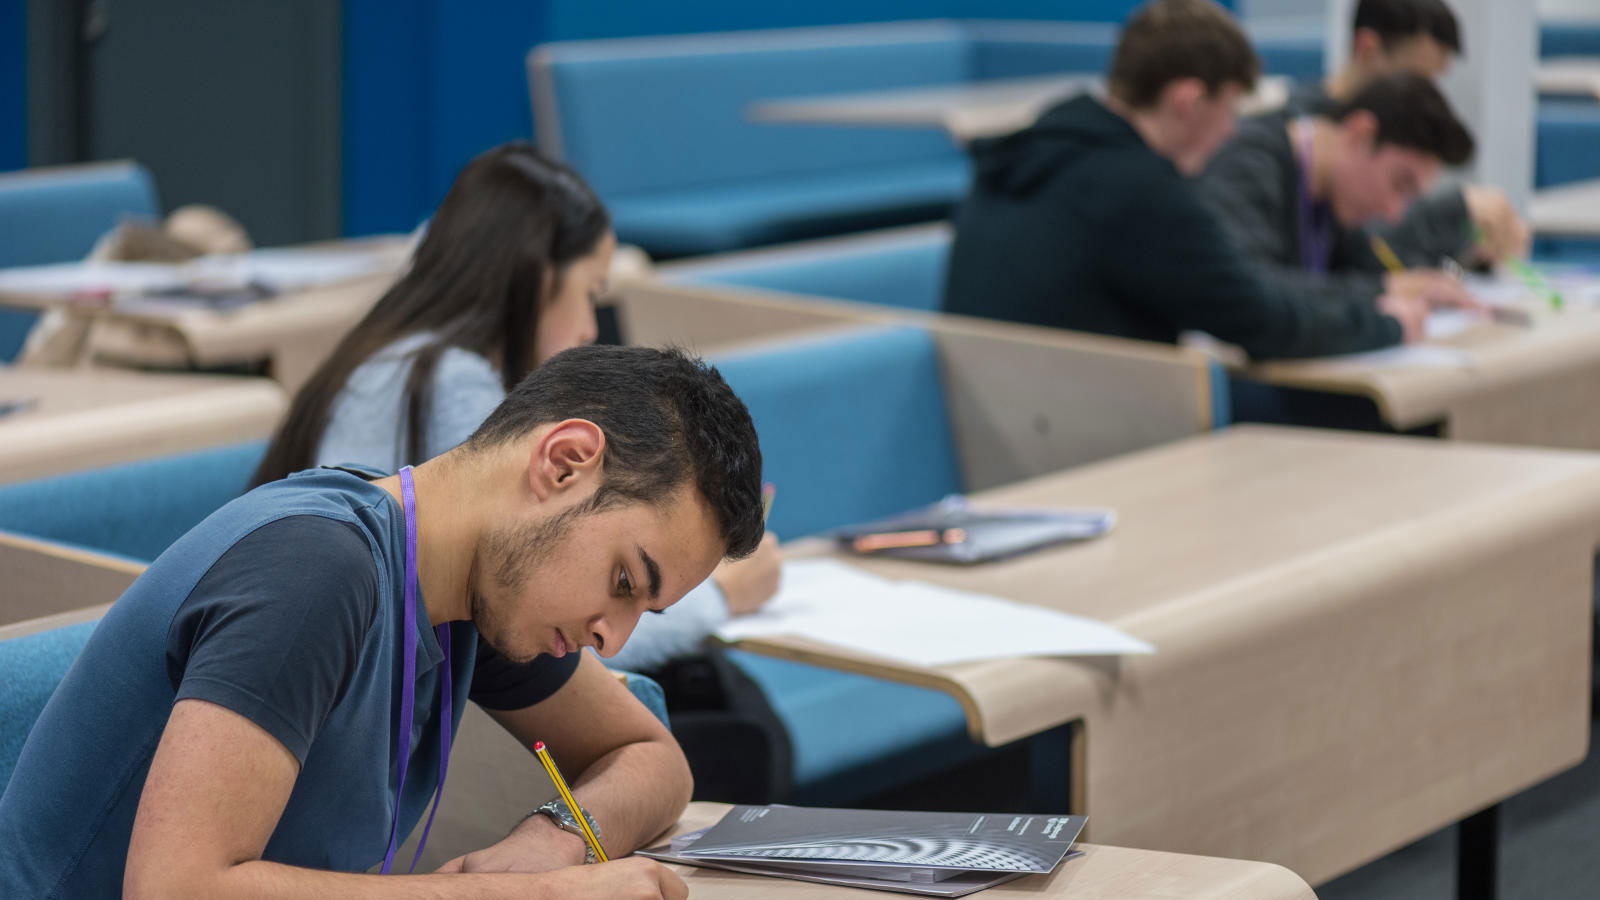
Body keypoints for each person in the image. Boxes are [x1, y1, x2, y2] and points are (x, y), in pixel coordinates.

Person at [0, 344, 765, 899]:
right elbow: (176, 890)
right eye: (624, 580)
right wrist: (527, 894)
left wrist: (552, 840)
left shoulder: (479, 592)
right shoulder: (313, 570)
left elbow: (651, 756)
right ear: (562, 463)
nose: (614, 637)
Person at [251, 142, 781, 674]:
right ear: (538, 277)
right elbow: (532, 618)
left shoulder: (392, 357)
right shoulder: (451, 382)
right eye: (590, 292)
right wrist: (720, 598)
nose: (590, 328)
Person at [943, 0, 1440, 359]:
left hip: (993, 421)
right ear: (1189, 101)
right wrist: (1386, 324)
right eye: (1229, 109)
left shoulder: (1023, 156)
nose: (1231, 132)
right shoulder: (1141, 191)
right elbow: (1260, 320)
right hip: (1086, 430)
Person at [1198, 72, 1484, 314]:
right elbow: (1252, 293)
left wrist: (1426, 283)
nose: (1394, 212)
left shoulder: (1333, 196)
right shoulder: (1247, 167)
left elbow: (1369, 267)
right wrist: (1384, 289)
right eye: (1399, 184)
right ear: (1360, 134)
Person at [1286, 0, 1528, 265]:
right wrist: (1453, 212)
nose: (1424, 97)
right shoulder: (1297, 139)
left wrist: (1469, 244)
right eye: (1415, 79)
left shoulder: (1395, 140)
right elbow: (1354, 251)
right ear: (1367, 49)